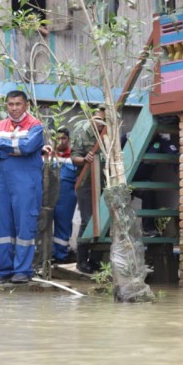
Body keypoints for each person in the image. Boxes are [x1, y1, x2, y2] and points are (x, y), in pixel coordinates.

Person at [0, 90, 44, 284]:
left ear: (26, 105)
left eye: (18, 104)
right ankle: (3, 271)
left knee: (25, 226)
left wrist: (2, 144)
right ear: (6, 105)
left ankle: (23, 271)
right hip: (4, 184)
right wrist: (12, 146)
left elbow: (26, 147)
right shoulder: (0, 125)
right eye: (10, 104)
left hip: (27, 184)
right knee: (2, 226)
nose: (14, 108)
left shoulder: (35, 125)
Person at [71, 107, 106, 274]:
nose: (100, 123)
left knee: (105, 221)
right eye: (97, 119)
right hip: (85, 183)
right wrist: (84, 160)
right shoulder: (82, 133)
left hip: (106, 183)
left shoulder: (109, 134)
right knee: (87, 221)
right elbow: (74, 157)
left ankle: (96, 260)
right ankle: (81, 260)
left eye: (103, 120)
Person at [51, 127, 79, 263]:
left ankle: (60, 256)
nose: (61, 141)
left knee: (63, 226)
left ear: (69, 140)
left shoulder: (74, 157)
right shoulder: (47, 155)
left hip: (67, 197)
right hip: (48, 196)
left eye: (64, 138)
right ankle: (46, 255)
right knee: (43, 224)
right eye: (58, 138)